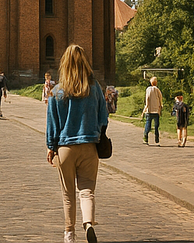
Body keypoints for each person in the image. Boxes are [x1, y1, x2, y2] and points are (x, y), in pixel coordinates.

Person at [46, 44, 108, 243]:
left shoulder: (57, 91)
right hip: (89, 146)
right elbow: (104, 116)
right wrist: (97, 132)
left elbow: (53, 123)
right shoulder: (94, 87)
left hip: (65, 148)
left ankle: (69, 234)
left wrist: (50, 146)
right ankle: (88, 223)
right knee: (87, 190)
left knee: (68, 194)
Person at [142, 76, 163, 145]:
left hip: (149, 110)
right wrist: (160, 109)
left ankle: (145, 138)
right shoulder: (157, 90)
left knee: (148, 124)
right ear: (156, 82)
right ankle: (157, 140)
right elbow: (160, 100)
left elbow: (147, 99)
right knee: (156, 126)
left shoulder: (148, 89)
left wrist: (144, 110)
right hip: (156, 111)